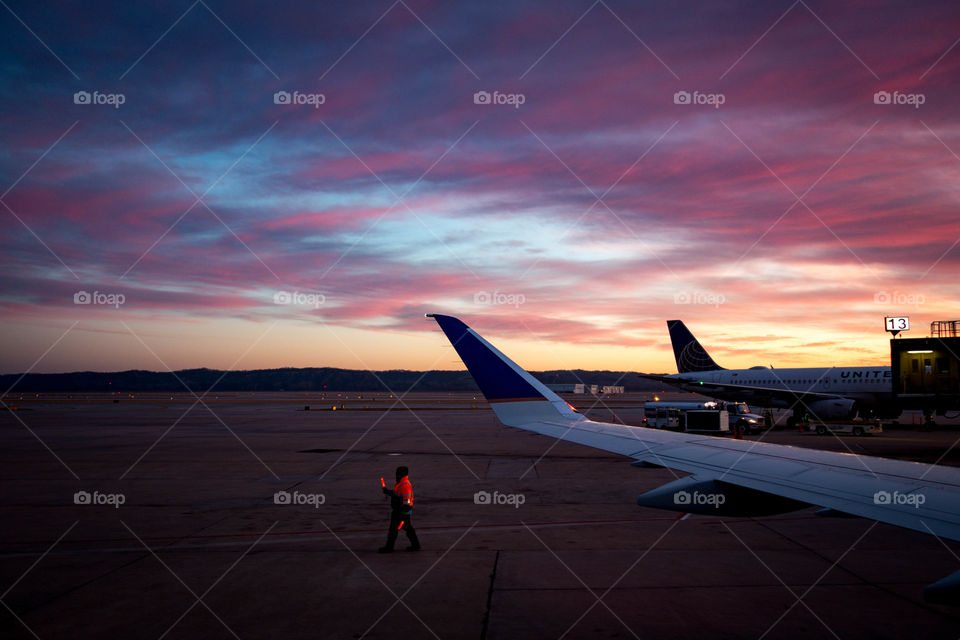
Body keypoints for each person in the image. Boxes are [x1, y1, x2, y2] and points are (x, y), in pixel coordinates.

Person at [378, 466, 421, 553]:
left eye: (399, 474)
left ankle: (390, 547)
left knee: (395, 528)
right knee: (406, 528)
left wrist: (404, 512)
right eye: (397, 473)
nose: (397, 475)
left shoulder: (405, 485)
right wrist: (388, 492)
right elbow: (397, 494)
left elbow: (407, 500)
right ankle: (415, 545)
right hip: (400, 511)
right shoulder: (400, 483)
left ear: (404, 474)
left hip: (401, 512)